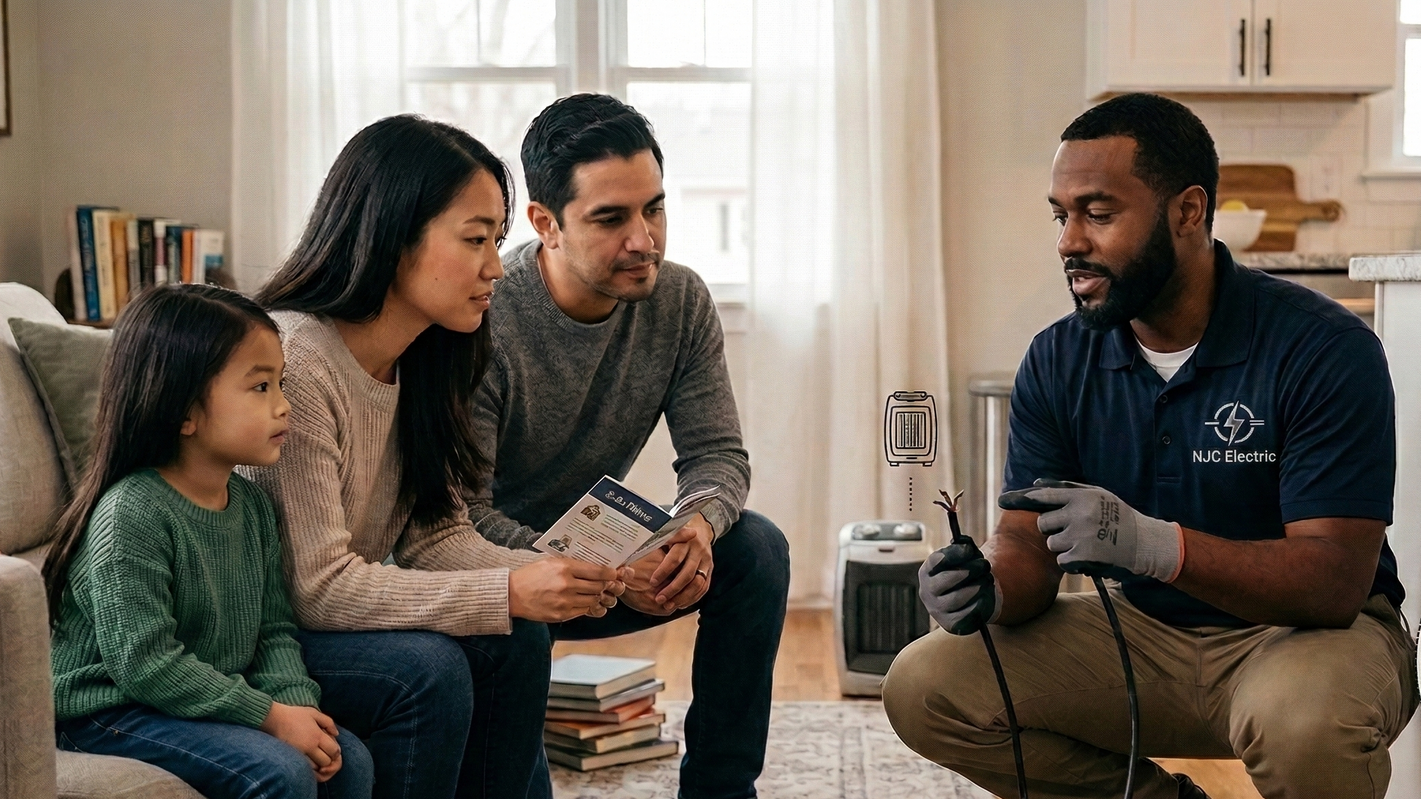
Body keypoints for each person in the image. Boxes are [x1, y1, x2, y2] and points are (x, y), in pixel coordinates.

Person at [883, 92, 1417, 799]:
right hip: (1143, 636)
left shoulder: (1321, 347)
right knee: (924, 684)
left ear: (1187, 212)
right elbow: (1025, 546)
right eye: (1059, 215)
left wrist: (1153, 546)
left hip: (1306, 639)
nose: (1069, 240)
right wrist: (984, 584)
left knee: (1302, 722)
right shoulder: (1057, 358)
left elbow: (1331, 583)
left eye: (1097, 214)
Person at [243, 115, 627, 799]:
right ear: (393, 235)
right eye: (475, 239)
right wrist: (508, 588)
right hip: (254, 645)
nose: (493, 268)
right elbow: (316, 587)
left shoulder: (426, 359)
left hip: (317, 624)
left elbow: (436, 534)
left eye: (498, 241)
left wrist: (551, 572)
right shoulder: (296, 362)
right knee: (430, 665)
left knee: (515, 637)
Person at [467, 93, 791, 799]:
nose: (643, 239)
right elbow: (461, 517)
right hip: (495, 567)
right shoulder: (483, 319)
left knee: (756, 550)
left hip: (604, 555)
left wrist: (695, 529)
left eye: (654, 208)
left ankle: (719, 789)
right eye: (611, 218)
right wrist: (603, 571)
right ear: (545, 224)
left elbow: (716, 455)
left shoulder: (679, 301)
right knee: (512, 627)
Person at [43, 284, 374, 799]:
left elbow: (273, 633)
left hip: (186, 697)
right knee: (278, 771)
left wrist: (299, 707)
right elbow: (146, 665)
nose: (286, 406)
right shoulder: (131, 513)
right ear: (184, 411)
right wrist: (267, 716)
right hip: (107, 710)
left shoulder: (252, 506)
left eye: (280, 383)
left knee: (348, 759)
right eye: (261, 387)